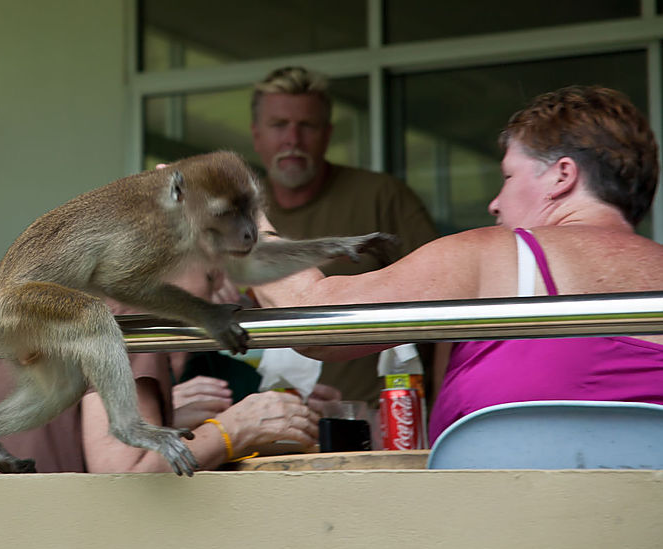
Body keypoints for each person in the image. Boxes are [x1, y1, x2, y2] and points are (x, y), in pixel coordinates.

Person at [252, 85, 663, 443]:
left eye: (507, 176)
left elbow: (316, 323)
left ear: (562, 176)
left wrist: (234, 216)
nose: (495, 203)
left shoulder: (497, 254)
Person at [0, 267, 339, 474]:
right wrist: (237, 427)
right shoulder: (130, 310)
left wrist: (174, 419)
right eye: (217, 265)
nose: (232, 292)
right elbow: (127, 473)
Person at [249, 66, 438, 405]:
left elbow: (445, 305)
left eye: (306, 125)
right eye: (279, 125)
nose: (293, 139)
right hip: (269, 423)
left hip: (378, 422)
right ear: (255, 134)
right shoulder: (234, 212)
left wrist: (441, 407)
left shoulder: (382, 196)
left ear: (327, 133)